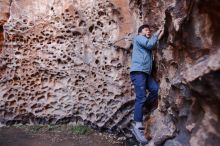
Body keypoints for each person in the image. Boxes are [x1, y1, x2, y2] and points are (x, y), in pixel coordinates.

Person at [130, 24, 164, 144]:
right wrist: (156, 34)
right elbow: (150, 44)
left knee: (155, 89)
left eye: (149, 30)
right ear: (140, 32)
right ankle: (137, 125)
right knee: (141, 97)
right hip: (138, 72)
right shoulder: (138, 38)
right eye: (146, 30)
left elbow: (152, 44)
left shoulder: (145, 41)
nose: (148, 31)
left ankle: (143, 108)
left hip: (145, 73)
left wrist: (159, 33)